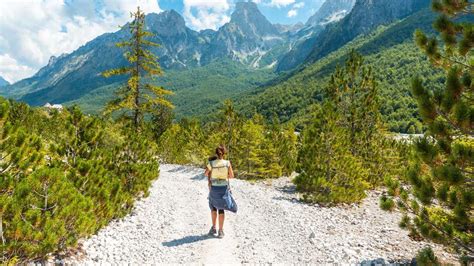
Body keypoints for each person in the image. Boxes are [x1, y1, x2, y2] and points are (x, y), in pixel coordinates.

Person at [204, 145, 234, 238]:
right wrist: (224, 177)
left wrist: (214, 175)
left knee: (213, 207)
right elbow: (232, 176)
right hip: (223, 187)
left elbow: (206, 173)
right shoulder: (227, 163)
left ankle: (213, 228)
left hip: (214, 188)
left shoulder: (212, 163)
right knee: (221, 208)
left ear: (216, 153)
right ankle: (221, 231)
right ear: (224, 153)